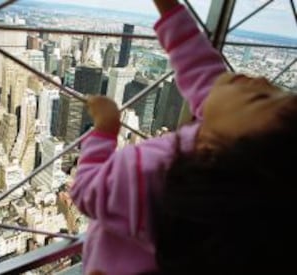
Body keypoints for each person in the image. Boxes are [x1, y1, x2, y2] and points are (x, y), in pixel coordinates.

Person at [70, 0, 297, 274]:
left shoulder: (146, 174)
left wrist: (105, 128)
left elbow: (85, 190)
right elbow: (203, 71)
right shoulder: (228, 156)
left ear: (224, 151)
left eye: (260, 98)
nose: (263, 80)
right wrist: (169, 8)